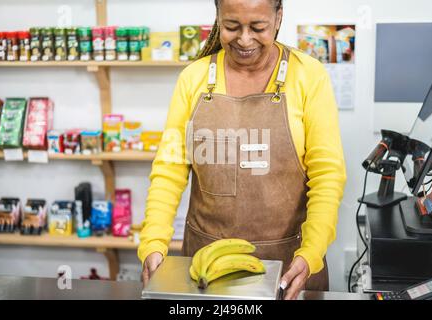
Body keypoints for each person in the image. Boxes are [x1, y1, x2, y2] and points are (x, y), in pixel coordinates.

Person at [138, 0, 346, 300]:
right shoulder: (193, 78)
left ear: (278, 18)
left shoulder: (308, 76)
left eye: (258, 27)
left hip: (288, 264)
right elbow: (169, 170)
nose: (244, 39)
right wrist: (153, 242)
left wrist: (311, 253)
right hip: (204, 267)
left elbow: (328, 175)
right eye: (232, 26)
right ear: (218, 19)